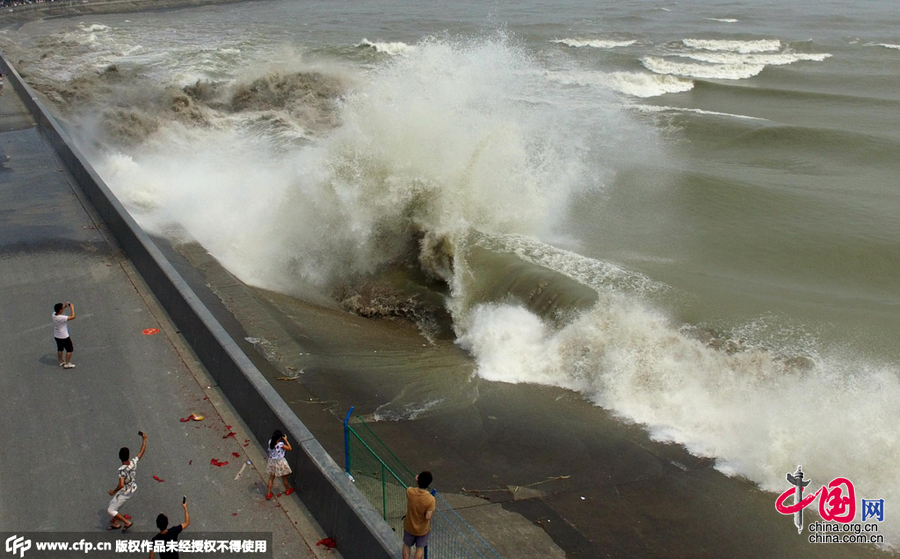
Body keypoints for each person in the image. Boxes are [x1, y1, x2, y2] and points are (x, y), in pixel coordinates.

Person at [107, 431, 147, 531]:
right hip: (131, 487)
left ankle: (127, 522)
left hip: (124, 492)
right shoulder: (133, 462)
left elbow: (121, 485)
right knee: (113, 503)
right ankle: (116, 523)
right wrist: (144, 439)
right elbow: (141, 452)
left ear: (120, 457)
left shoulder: (121, 470)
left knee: (110, 510)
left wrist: (113, 491)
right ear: (128, 456)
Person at [402, 471, 436, 559]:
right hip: (422, 530)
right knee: (419, 548)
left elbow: (413, 489)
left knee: (406, 545)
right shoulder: (430, 499)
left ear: (418, 480)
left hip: (409, 526)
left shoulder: (410, 492)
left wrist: (417, 481)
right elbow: (428, 517)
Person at [265, 429, 294, 500]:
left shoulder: (270, 442)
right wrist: (286, 440)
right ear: (279, 438)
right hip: (279, 462)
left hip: (272, 461)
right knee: (284, 477)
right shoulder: (280, 444)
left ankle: (268, 493)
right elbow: (290, 448)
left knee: (271, 478)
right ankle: (287, 489)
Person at [53, 302, 76, 368]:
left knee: (60, 348)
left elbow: (59, 310)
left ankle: (60, 361)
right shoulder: (61, 318)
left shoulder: (54, 315)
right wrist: (72, 308)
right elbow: (73, 316)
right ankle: (67, 363)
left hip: (57, 335)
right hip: (64, 336)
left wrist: (65, 306)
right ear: (60, 310)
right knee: (69, 349)